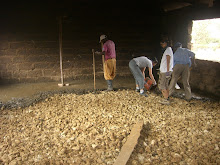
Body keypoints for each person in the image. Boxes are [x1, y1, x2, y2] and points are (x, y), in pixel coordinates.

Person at [158, 39, 174, 105]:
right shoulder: (169, 50)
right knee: (166, 85)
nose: (162, 45)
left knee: (162, 85)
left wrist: (167, 71)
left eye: (162, 44)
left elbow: (168, 60)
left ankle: (166, 99)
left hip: (165, 71)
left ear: (166, 43)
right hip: (166, 70)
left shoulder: (168, 50)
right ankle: (167, 98)